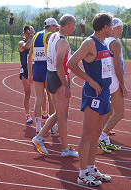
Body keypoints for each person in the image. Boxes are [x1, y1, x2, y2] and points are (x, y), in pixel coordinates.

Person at [67, 13, 113, 186]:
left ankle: (91, 168)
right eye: (111, 25)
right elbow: (71, 63)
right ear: (105, 27)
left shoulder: (103, 43)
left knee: (96, 135)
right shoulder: (90, 43)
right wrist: (90, 80)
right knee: (87, 134)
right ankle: (82, 173)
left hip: (104, 93)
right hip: (93, 93)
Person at [31, 14, 78, 158]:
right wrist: (66, 85)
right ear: (69, 25)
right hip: (59, 77)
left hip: (50, 75)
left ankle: (39, 137)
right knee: (63, 115)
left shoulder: (52, 36)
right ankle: (64, 149)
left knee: (59, 113)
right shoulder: (63, 41)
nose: (75, 28)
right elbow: (59, 64)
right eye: (74, 25)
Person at [98, 18, 129, 153]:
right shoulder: (115, 44)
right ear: (116, 28)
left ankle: (106, 140)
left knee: (108, 111)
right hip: (114, 81)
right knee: (120, 112)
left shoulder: (104, 41)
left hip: (105, 79)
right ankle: (101, 136)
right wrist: (123, 85)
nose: (122, 30)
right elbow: (118, 67)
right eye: (121, 27)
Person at [27, 18, 59, 136]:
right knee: (51, 98)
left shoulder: (36, 35)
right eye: (55, 27)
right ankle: (52, 127)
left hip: (37, 68)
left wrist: (30, 74)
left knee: (39, 98)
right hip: (47, 68)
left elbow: (29, 56)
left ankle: (38, 128)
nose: (56, 29)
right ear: (50, 27)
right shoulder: (51, 36)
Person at [18, 25, 35, 123]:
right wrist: (31, 37)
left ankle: (44, 112)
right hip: (25, 70)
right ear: (25, 33)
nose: (32, 31)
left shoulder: (34, 40)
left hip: (35, 69)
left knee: (41, 93)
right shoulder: (21, 42)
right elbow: (26, 47)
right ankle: (27, 115)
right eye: (30, 30)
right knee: (27, 93)